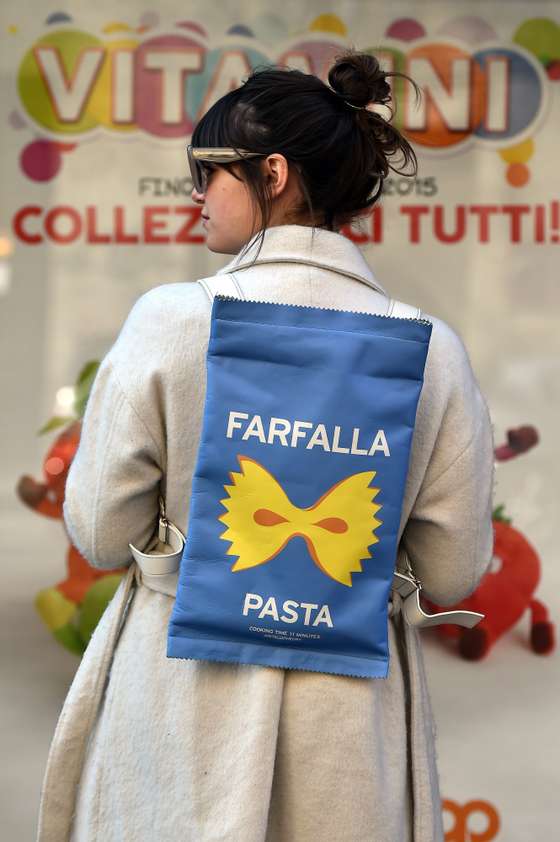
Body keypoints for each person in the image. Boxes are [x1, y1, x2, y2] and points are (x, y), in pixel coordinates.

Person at [37, 52, 494, 842]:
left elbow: (101, 533)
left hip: (181, 708)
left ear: (272, 174)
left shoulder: (171, 320)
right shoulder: (432, 348)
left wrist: (185, 551)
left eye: (206, 172)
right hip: (349, 727)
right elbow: (454, 572)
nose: (193, 195)